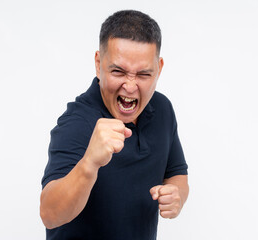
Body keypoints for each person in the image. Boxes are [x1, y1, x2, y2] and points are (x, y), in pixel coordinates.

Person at [40, 10, 189, 240]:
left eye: (143, 74)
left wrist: (176, 194)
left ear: (158, 69)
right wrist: (89, 164)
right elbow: (49, 213)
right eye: (118, 71)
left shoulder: (162, 109)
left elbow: (177, 173)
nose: (130, 87)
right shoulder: (77, 123)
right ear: (99, 63)